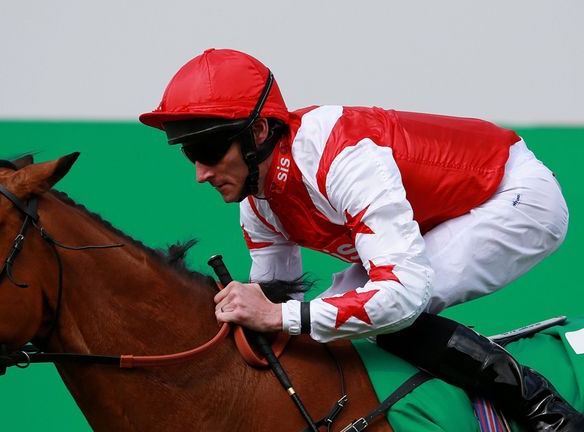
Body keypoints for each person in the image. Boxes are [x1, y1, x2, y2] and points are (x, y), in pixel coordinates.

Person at [140, 48, 583, 431]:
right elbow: (274, 304)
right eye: (189, 154)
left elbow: (402, 295)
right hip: (443, 214)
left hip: (516, 196)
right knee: (333, 312)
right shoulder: (258, 203)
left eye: (209, 153)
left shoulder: (342, 155)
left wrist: (278, 314)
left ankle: (546, 410)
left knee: (386, 310)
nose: (200, 174)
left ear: (257, 133)